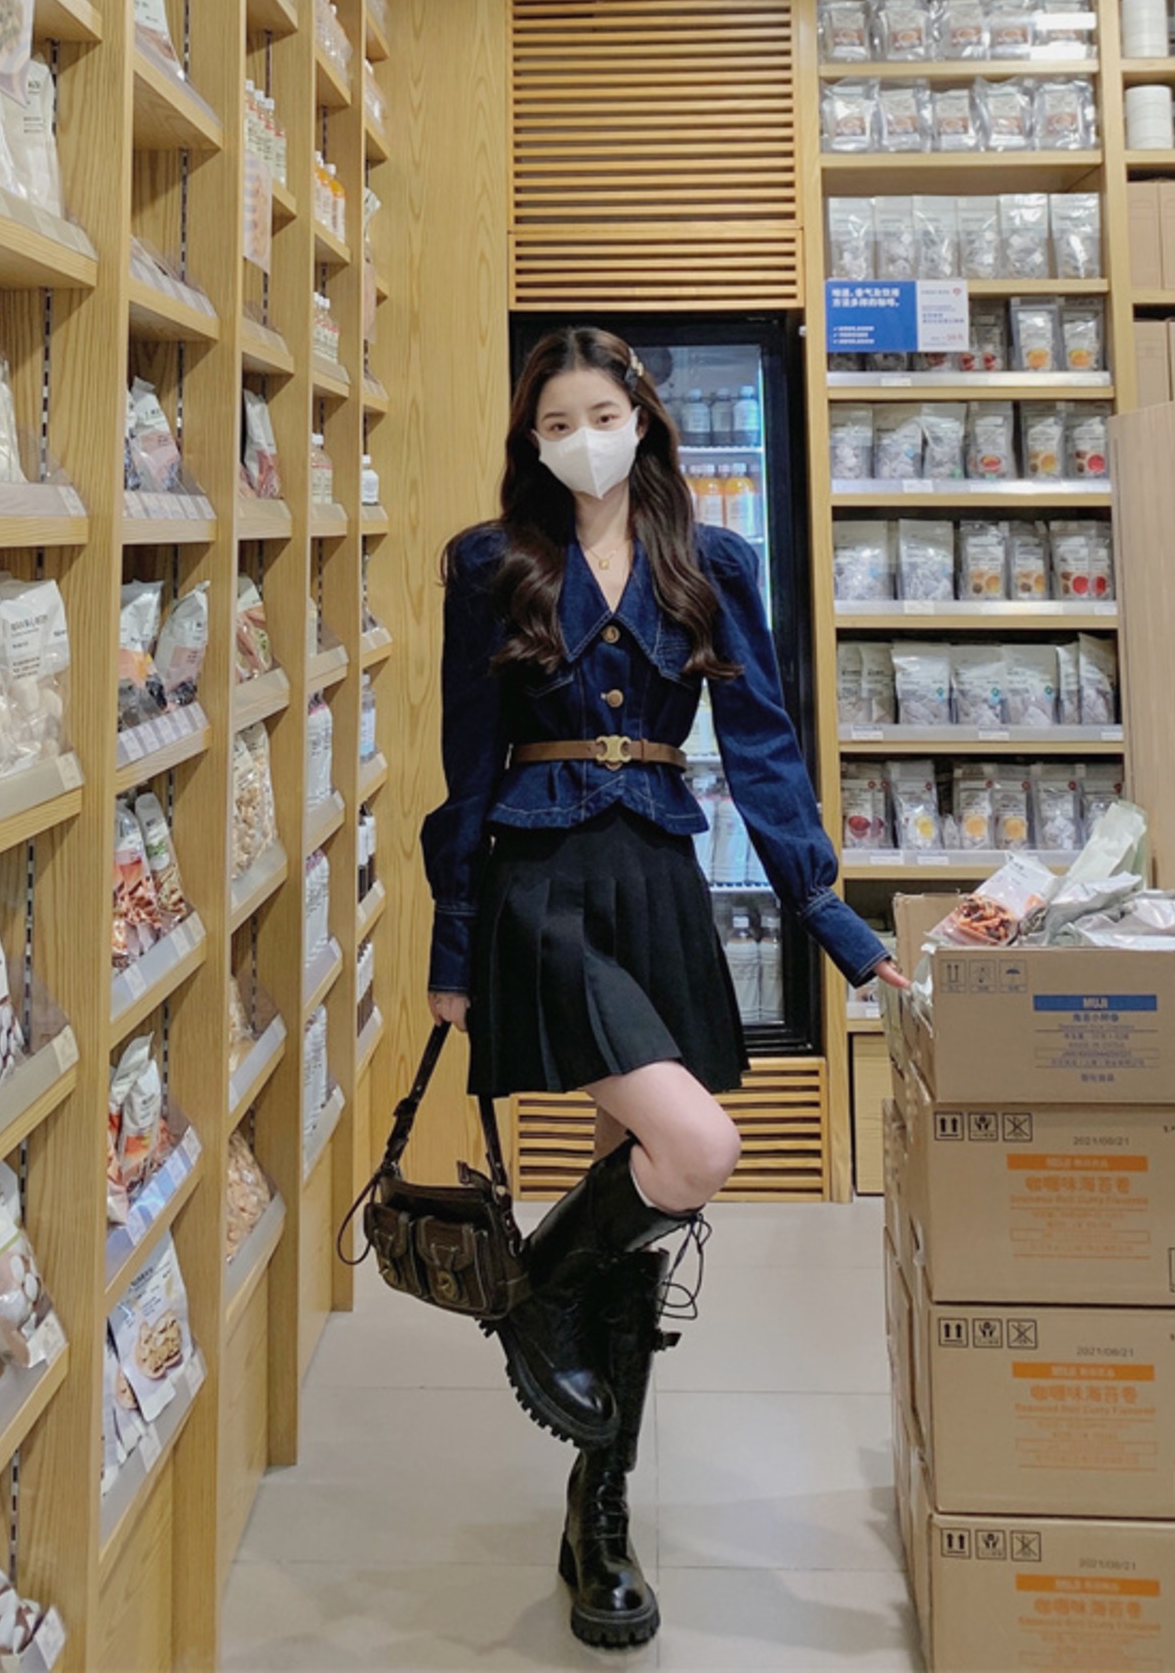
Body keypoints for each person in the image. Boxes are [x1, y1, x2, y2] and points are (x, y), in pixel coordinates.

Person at [421, 326, 907, 1650]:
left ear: (641, 418)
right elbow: (468, 758)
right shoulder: (493, 563)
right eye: (555, 423)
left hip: (658, 882)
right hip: (541, 887)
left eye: (601, 414)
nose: (581, 439)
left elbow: (762, 746)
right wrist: (454, 941)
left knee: (635, 1209)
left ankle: (601, 1512)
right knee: (695, 1148)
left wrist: (829, 915)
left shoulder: (712, 562)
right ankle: (534, 1290)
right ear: (532, 442)